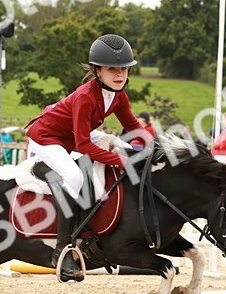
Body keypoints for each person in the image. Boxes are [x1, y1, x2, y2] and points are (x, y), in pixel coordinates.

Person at [24, 33, 146, 281]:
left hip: (72, 135)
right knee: (74, 176)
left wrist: (154, 147)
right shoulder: (85, 97)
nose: (120, 74)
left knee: (122, 145)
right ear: (97, 71)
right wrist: (123, 161)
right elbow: (84, 145)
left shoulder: (119, 95)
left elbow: (133, 127)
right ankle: (62, 249)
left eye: (123, 68)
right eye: (112, 69)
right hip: (47, 137)